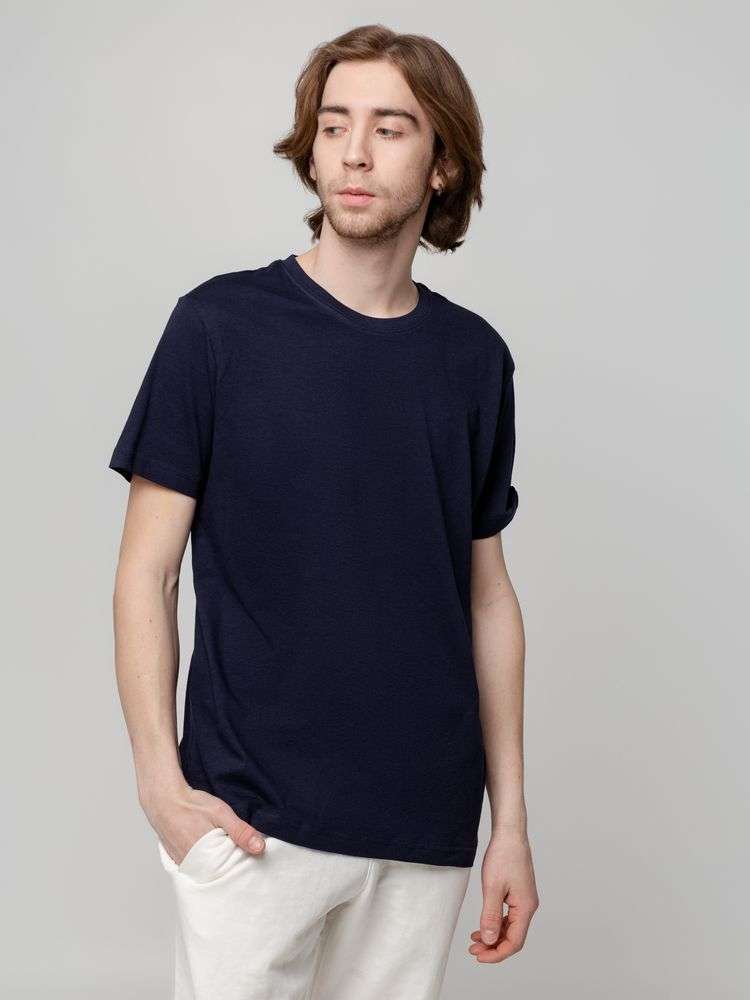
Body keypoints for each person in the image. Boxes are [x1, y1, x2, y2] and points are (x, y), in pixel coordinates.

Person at [108, 22, 539, 1000]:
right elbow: (147, 570)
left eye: (390, 127)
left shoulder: (473, 361)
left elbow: (487, 596)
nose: (354, 151)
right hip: (250, 824)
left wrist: (509, 824)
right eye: (334, 125)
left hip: (422, 828)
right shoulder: (218, 327)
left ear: (442, 165)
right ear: (310, 151)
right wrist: (162, 788)